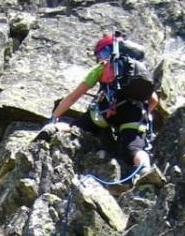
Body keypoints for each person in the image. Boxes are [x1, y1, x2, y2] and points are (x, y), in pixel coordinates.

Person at [49, 33, 165, 187]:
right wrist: (142, 115)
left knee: (76, 126)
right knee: (134, 148)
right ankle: (145, 169)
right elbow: (154, 100)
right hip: (134, 114)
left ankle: (53, 128)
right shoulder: (137, 69)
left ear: (105, 52)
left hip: (107, 111)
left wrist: (54, 116)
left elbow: (73, 97)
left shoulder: (103, 67)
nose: (98, 59)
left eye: (98, 55)